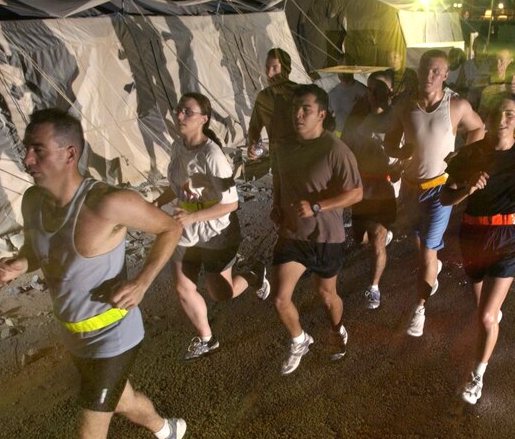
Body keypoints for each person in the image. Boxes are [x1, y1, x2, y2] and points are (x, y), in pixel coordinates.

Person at [0, 109, 184, 439]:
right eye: (27, 147)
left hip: (114, 336)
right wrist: (19, 264)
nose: (26, 157)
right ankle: (167, 428)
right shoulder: (33, 204)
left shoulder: (107, 202)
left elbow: (170, 227)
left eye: (37, 148)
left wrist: (141, 281)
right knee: (122, 402)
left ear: (69, 153)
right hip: (74, 335)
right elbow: (42, 252)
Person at [441, 93, 515, 403]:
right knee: (482, 307)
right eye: (498, 113)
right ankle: (491, 315)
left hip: (510, 237)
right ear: (489, 117)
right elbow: (445, 197)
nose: (504, 119)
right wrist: (467, 188)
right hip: (474, 235)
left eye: (510, 113)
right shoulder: (468, 155)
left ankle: (477, 375)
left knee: (485, 318)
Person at [385, 49, 484, 337]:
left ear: (445, 75)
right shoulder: (405, 106)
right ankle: (433, 267)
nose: (428, 76)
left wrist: (462, 157)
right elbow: (390, 143)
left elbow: (478, 128)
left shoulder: (456, 106)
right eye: (424, 70)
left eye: (435, 71)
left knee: (427, 254)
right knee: (418, 241)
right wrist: (398, 150)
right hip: (409, 189)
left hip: (439, 191)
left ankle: (419, 309)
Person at [166, 92, 269, 361]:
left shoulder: (213, 155)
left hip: (216, 232)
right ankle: (206, 338)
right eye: (179, 110)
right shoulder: (177, 147)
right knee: (182, 286)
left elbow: (231, 204)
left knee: (221, 293)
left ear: (204, 118)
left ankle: (254, 274)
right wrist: (153, 204)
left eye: (187, 112)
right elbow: (183, 186)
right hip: (187, 231)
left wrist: (194, 217)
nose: (180, 116)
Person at [270, 85, 363, 374]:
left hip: (326, 237)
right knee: (280, 298)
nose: (298, 114)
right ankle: (300, 339)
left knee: (326, 295)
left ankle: (337, 330)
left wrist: (317, 206)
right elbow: (279, 179)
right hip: (292, 235)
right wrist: (276, 205)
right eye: (295, 108)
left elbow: (356, 193)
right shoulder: (283, 147)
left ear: (321, 114)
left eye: (305, 109)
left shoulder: (336, 150)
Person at [342, 78, 396, 309]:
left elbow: (408, 150)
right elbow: (345, 147)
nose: (375, 94)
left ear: (390, 92)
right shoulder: (358, 120)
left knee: (376, 239)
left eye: (380, 89)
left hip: (385, 188)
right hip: (362, 189)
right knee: (360, 238)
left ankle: (373, 287)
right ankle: (382, 237)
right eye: (371, 90)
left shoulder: (397, 119)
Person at [247, 48, 298, 161]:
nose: (269, 74)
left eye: (274, 68)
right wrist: (253, 143)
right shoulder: (264, 97)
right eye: (267, 68)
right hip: (277, 161)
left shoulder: (301, 94)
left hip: (302, 159)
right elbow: (254, 126)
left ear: (286, 69)